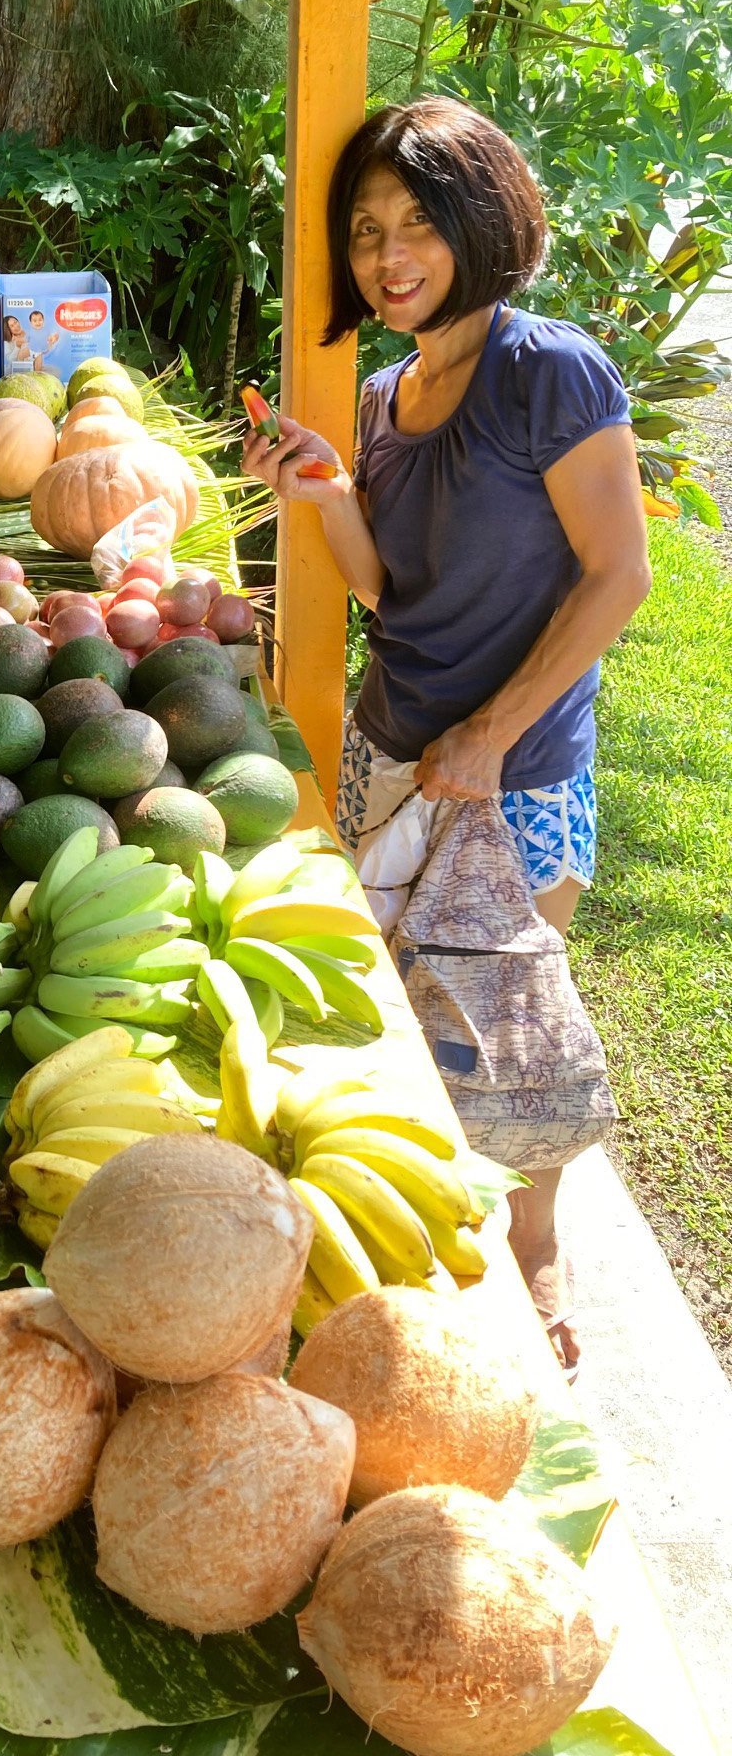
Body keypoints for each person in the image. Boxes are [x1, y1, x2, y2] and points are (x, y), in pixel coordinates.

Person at [243, 96, 652, 1373]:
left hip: (513, 775)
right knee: (399, 1026)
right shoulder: (388, 390)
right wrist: (323, 493)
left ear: (481, 218)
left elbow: (619, 575)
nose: (388, 255)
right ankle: (418, 1258)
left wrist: (491, 731)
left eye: (416, 220)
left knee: (503, 1031)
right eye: (365, 231)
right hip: (386, 753)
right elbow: (387, 592)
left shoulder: (553, 371)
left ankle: (536, 1254)